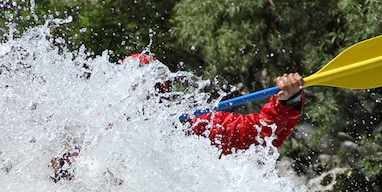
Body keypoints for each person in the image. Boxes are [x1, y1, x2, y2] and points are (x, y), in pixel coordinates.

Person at [125, 52, 305, 155]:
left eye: (152, 90)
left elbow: (262, 134)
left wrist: (288, 100)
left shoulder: (195, 128)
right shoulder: (100, 132)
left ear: (162, 95)